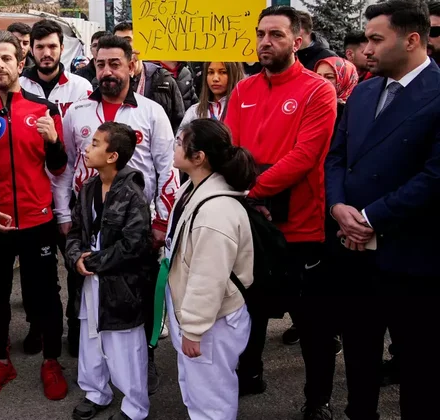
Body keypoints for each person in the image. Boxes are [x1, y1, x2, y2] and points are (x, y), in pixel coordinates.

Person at [326, 2, 440, 419]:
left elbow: (433, 178)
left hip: (414, 260)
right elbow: (336, 157)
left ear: (411, 39)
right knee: (358, 357)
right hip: (354, 255)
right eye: (366, 39)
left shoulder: (436, 93)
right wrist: (338, 206)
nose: (366, 49)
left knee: (420, 370)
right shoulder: (364, 90)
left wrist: (371, 218)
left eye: (376, 39)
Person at [224, 6, 338, 419]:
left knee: (312, 324)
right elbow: (229, 150)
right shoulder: (243, 90)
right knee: (248, 308)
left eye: (275, 34)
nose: (265, 42)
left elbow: (306, 156)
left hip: (302, 227)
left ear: (298, 40)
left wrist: (253, 188)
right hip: (250, 224)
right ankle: (249, 374)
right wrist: (243, 194)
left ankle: (317, 400)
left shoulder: (317, 90)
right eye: (260, 34)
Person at [58, 35, 176, 397]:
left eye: (114, 63)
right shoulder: (77, 112)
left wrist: (159, 224)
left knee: (135, 300)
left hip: (137, 227)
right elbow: (64, 167)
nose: (107, 71)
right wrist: (64, 213)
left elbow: (167, 169)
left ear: (131, 65)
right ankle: (96, 372)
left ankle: (146, 359)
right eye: (100, 64)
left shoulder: (152, 111)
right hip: (89, 221)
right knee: (88, 296)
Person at [0, 30, 68, 401]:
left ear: (21, 64)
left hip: (38, 222)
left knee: (46, 296)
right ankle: (1, 361)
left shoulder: (43, 109)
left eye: (7, 58)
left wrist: (54, 141)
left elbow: (58, 168)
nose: (0, 65)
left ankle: (51, 361)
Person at [163, 118, 255, 420]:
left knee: (211, 396)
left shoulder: (215, 212)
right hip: (200, 317)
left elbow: (208, 278)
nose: (174, 146)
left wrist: (193, 329)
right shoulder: (193, 187)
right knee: (196, 386)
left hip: (211, 323)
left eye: (179, 143)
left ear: (198, 157)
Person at [65, 121, 152, 420]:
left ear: (113, 155)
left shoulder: (132, 193)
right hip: (90, 280)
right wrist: (75, 256)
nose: (87, 149)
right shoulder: (88, 188)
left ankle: (135, 407)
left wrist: (91, 262)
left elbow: (135, 244)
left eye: (95, 144)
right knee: (90, 340)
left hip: (122, 285)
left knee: (125, 347)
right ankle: (96, 392)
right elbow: (75, 230)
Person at [18, 18, 92, 356]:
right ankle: (38, 327)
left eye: (52, 46)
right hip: (32, 192)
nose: (46, 53)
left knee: (76, 266)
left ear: (62, 48)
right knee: (36, 273)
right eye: (40, 46)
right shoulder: (19, 86)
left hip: (73, 192)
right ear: (30, 49)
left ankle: (76, 329)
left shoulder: (80, 87)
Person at [113, 22, 186, 133]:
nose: (122, 46)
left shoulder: (163, 79)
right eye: (117, 42)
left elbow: (179, 121)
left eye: (127, 41)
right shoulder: (108, 80)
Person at [178, 62, 245, 135]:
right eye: (211, 72)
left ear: (235, 74)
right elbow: (179, 143)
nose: (215, 79)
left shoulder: (245, 110)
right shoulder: (194, 112)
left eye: (223, 72)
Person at [314, 58, 359, 129]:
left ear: (346, 79)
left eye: (329, 77)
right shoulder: (311, 102)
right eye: (318, 76)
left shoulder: (354, 110)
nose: (321, 81)